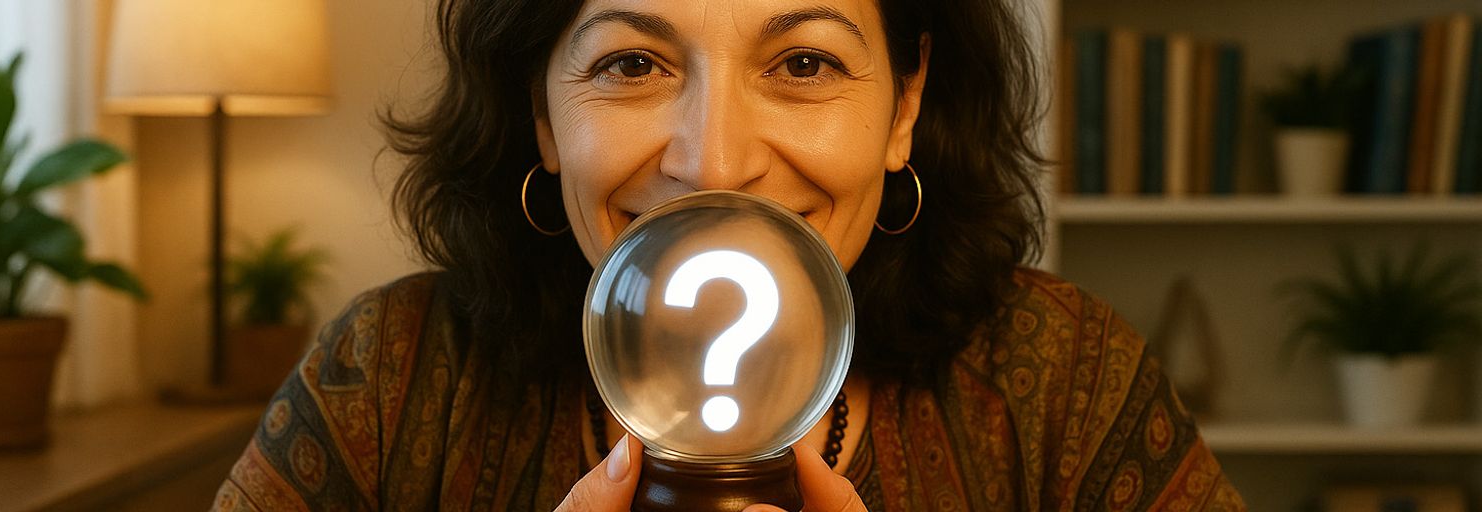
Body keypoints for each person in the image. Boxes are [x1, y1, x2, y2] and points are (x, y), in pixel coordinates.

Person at [213, 0, 1245, 510]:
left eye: (804, 62)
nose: (714, 161)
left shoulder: (1066, 381)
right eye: (631, 62)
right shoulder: (389, 380)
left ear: (907, 106)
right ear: (541, 112)